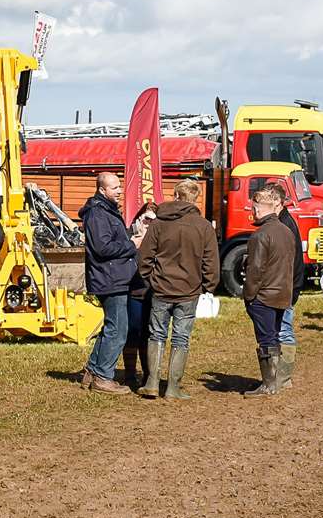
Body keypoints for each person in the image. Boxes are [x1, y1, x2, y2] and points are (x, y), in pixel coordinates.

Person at [136, 179, 218, 400]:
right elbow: (211, 262)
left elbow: (144, 257)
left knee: (156, 334)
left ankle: (152, 382)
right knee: (181, 337)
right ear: (195, 199)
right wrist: (208, 286)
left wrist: (151, 279)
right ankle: (173, 387)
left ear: (175, 195)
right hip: (189, 291)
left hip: (161, 288)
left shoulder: (159, 223)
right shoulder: (203, 227)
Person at [78, 171, 139, 395]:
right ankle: (103, 377)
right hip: (109, 278)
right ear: (102, 190)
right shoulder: (97, 214)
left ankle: (93, 370)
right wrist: (132, 244)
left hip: (114, 277)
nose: (120, 191)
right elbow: (102, 248)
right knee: (118, 329)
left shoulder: (106, 211)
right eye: (115, 188)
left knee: (112, 326)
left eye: (120, 186)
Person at [241, 184, 296, 397]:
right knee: (273, 337)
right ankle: (275, 381)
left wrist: (249, 296)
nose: (251, 212)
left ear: (258, 209)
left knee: (266, 340)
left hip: (263, 296)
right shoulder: (287, 231)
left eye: (253, 208)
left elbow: (255, 270)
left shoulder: (260, 235)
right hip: (282, 294)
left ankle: (268, 384)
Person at [122, 202, 157, 392]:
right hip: (133, 291)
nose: (148, 224)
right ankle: (129, 373)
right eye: (146, 219)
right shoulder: (130, 237)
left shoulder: (159, 238)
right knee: (132, 333)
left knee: (149, 334)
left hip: (152, 292)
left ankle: (148, 373)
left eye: (153, 220)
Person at [275, 188, 306, 389]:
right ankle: (280, 376)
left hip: (286, 286)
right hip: (289, 284)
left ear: (277, 202)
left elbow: (286, 262)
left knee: (284, 329)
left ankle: (283, 378)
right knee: (280, 329)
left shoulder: (284, 225)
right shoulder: (286, 222)